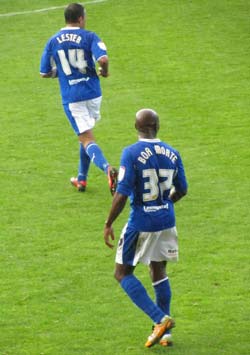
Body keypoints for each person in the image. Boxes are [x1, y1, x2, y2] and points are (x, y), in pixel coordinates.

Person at [103, 108, 188, 348]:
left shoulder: (130, 153)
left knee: (122, 273)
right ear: (158, 126)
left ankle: (160, 319)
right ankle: (166, 335)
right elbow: (182, 188)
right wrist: (164, 204)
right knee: (158, 269)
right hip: (166, 220)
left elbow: (122, 194)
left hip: (141, 223)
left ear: (136, 127)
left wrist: (108, 223)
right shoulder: (173, 153)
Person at [40, 3, 117, 195]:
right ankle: (81, 179)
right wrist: (104, 72)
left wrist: (64, 74)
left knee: (86, 138)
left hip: (73, 97)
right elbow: (103, 59)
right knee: (85, 135)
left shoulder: (52, 41)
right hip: (93, 93)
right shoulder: (90, 36)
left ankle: (108, 169)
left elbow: (44, 72)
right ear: (81, 18)